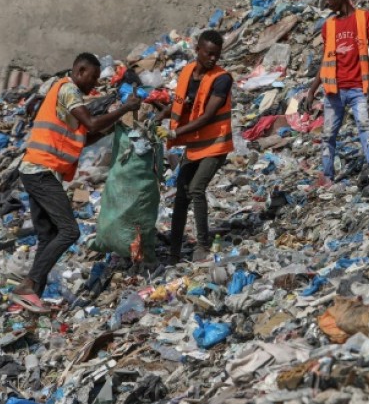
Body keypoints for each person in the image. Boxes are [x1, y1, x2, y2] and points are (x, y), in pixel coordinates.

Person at [14, 53, 141, 312]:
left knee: (47, 235)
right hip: (41, 171)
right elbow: (92, 122)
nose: (93, 85)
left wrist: (112, 127)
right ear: (80, 70)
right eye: (92, 78)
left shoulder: (65, 94)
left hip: (33, 169)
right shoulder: (69, 90)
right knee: (69, 231)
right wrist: (124, 109)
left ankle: (29, 297)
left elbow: (85, 136)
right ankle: (28, 285)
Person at [158, 30, 233, 263]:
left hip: (216, 145)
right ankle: (174, 252)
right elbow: (183, 103)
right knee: (181, 195)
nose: (213, 59)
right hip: (195, 145)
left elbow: (208, 115)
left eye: (216, 55)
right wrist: (159, 115)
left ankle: (202, 246)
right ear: (197, 50)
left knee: (196, 189)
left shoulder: (222, 79)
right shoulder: (188, 73)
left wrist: (174, 132)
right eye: (209, 54)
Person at [304, 0, 369, 182]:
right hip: (333, 91)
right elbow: (325, 60)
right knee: (328, 135)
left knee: (365, 127)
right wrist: (312, 90)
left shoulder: (365, 18)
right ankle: (327, 176)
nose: (326, 2)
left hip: (358, 87)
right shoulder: (328, 26)